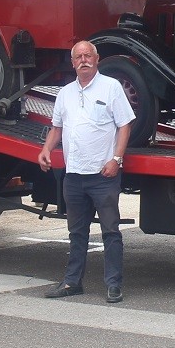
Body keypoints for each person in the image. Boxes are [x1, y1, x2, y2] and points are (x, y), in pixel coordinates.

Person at [37, 40, 135, 303]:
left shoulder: (111, 87)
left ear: (97, 58)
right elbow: (57, 127)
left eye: (88, 55)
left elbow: (125, 125)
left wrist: (117, 159)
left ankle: (114, 285)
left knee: (110, 231)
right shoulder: (65, 93)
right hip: (74, 176)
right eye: (78, 56)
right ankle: (72, 282)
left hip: (103, 176)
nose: (83, 60)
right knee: (76, 232)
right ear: (73, 63)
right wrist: (46, 150)